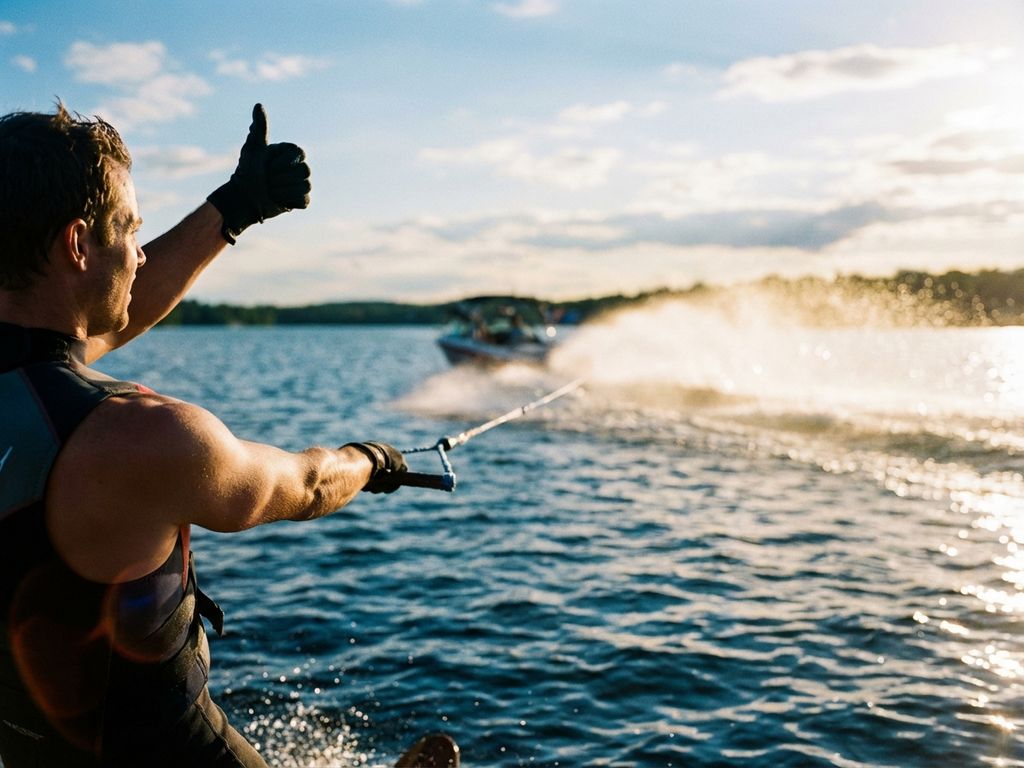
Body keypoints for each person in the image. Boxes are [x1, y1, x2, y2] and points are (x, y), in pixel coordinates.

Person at [0, 103, 416, 767]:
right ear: (79, 244)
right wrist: (369, 460)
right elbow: (305, 486)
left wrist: (233, 209)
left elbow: (100, 325)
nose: (140, 253)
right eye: (128, 231)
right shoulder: (142, 437)